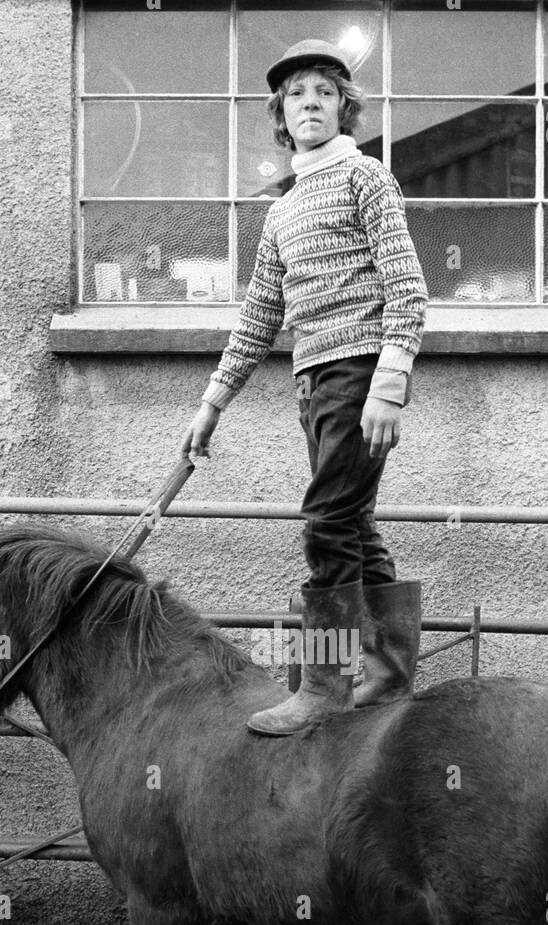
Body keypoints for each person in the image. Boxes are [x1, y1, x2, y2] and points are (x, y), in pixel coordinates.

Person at [181, 39, 428, 736]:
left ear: (345, 108)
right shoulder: (282, 211)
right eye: (297, 94)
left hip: (358, 375)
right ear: (281, 116)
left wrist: (389, 381)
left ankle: (323, 686)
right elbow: (258, 318)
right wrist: (211, 404)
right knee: (350, 525)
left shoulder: (367, 178)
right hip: (312, 384)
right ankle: (387, 676)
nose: (311, 102)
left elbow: (407, 287)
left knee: (325, 523)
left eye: (325, 90)